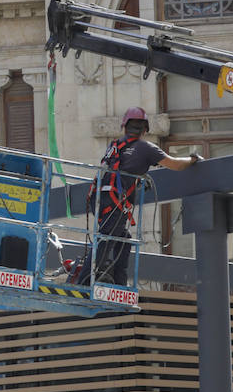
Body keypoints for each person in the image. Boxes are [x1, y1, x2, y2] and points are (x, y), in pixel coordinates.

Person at [78, 107, 203, 287]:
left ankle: (119, 282)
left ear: (124, 127)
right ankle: (84, 283)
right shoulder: (145, 148)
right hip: (115, 204)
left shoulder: (115, 146)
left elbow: (123, 170)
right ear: (145, 130)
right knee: (106, 240)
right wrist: (192, 160)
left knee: (123, 239)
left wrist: (139, 178)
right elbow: (174, 165)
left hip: (101, 199)